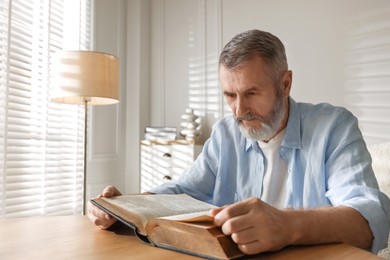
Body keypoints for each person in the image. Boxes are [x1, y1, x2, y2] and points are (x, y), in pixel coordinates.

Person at [88, 29, 390, 255]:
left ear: (285, 84)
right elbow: (183, 190)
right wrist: (126, 207)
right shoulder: (225, 133)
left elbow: (369, 220)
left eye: (251, 93)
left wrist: (286, 226)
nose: (239, 111)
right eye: (230, 95)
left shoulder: (334, 126)